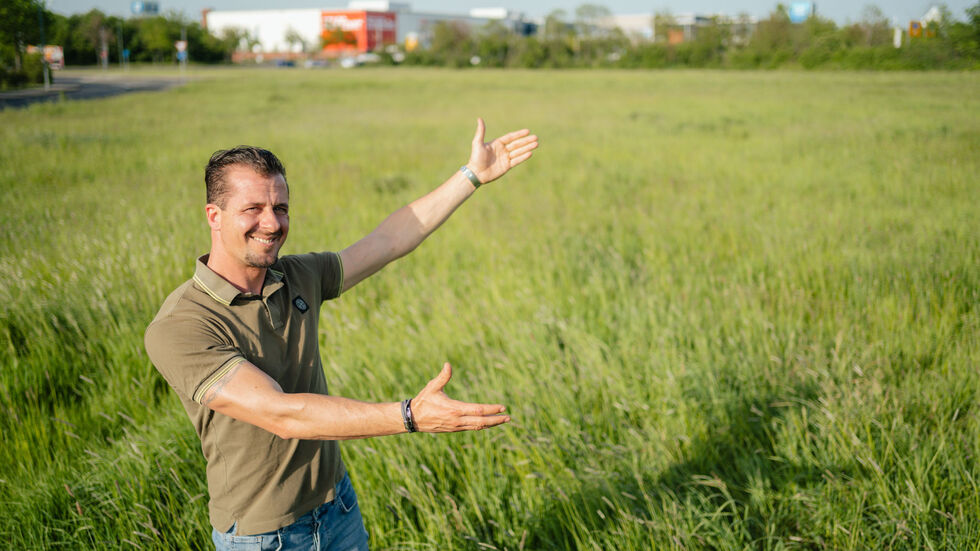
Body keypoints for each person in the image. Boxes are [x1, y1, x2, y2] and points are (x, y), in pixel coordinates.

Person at [144, 119, 538, 550]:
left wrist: (471, 176)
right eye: (252, 209)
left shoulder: (297, 275)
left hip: (337, 508)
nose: (272, 224)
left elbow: (389, 240)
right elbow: (281, 413)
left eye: (281, 208)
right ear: (213, 216)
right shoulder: (182, 325)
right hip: (262, 536)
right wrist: (409, 416)